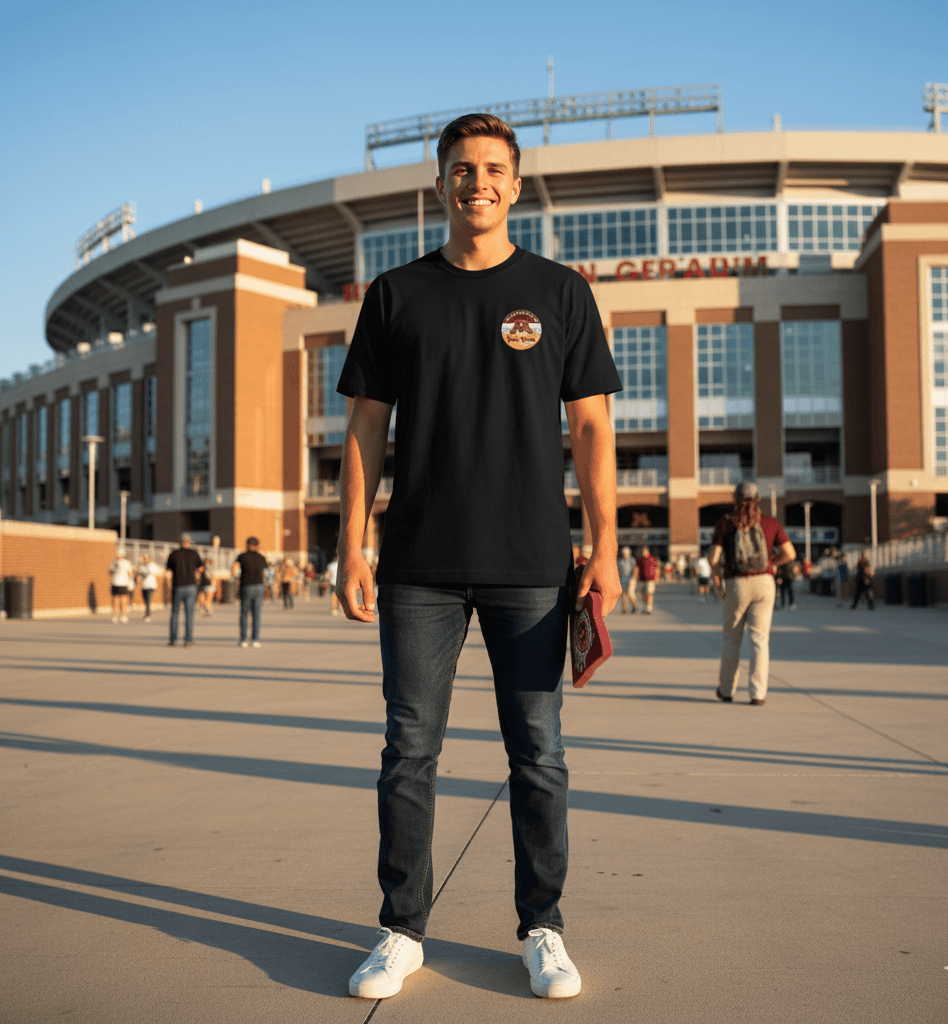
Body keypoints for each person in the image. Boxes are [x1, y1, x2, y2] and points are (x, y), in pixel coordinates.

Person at [338, 113, 621, 1002]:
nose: (478, 183)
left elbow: (591, 425)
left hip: (533, 563)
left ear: (517, 182)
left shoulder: (561, 291)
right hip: (418, 562)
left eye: (494, 169)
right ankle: (401, 930)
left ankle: (544, 927)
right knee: (407, 751)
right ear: (440, 184)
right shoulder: (396, 294)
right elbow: (366, 426)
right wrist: (352, 540)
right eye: (462, 169)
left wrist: (607, 543)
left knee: (537, 753)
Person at [708, 482, 796, 705]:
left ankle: (726, 690)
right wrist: (772, 563)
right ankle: (758, 693)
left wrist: (717, 578)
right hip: (765, 583)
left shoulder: (726, 523)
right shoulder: (770, 523)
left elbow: (713, 558)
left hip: (737, 583)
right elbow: (790, 553)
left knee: (731, 639)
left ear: (735, 499)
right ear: (758, 499)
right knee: (759, 639)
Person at [166, 533, 203, 647]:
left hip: (177, 586)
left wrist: (169, 587)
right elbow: (201, 568)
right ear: (189, 542)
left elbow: (168, 572)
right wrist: (196, 575)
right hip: (191, 586)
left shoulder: (174, 554)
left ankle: (173, 639)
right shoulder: (194, 554)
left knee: (175, 613)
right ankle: (188, 640)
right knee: (189, 614)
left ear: (180, 541)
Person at [233, 536, 267, 647]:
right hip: (259, 586)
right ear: (257, 546)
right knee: (256, 613)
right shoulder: (261, 557)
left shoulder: (242, 556)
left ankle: (243, 639)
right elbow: (265, 573)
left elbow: (234, 568)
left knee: (244, 613)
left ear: (247, 545)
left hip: (246, 586)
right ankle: (255, 639)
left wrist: (236, 578)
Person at [109, 549, 135, 623]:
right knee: (119, 599)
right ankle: (119, 615)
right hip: (119, 583)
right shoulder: (117, 562)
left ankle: (120, 615)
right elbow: (130, 573)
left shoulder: (119, 562)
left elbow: (110, 572)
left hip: (119, 583)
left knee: (120, 599)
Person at [634, 545, 660, 614]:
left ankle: (649, 608)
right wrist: (635, 577)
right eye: (642, 551)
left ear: (647, 551)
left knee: (649, 593)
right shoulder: (640, 559)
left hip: (650, 579)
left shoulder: (652, 558)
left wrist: (657, 577)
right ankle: (645, 607)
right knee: (643, 594)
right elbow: (636, 568)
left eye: (644, 551)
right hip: (642, 579)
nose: (643, 552)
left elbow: (657, 568)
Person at [138, 552, 161, 621]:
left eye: (146, 558)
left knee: (148, 600)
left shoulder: (152, 565)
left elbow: (158, 571)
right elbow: (139, 572)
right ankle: (147, 612)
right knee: (145, 600)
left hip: (151, 585)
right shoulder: (142, 566)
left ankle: (147, 614)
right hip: (144, 585)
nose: (145, 560)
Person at [617, 546, 636, 613]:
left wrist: (634, 577)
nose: (625, 555)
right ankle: (625, 608)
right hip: (622, 578)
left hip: (630, 578)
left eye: (626, 553)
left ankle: (634, 605)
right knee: (624, 594)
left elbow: (635, 569)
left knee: (630, 593)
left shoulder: (632, 560)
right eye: (624, 553)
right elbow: (618, 570)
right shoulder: (620, 561)